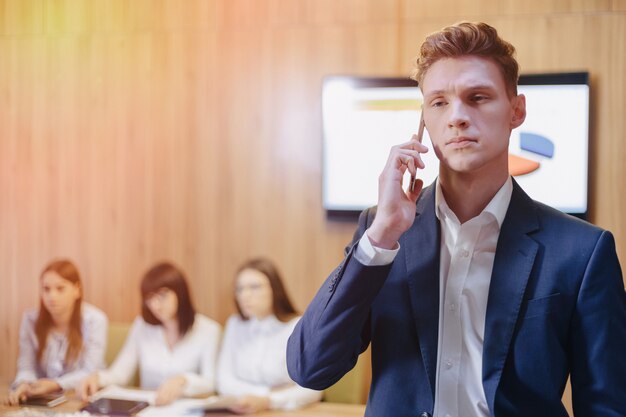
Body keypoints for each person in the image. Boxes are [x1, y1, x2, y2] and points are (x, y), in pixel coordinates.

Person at [287, 21, 626, 417]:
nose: (457, 117)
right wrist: (379, 237)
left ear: (517, 111)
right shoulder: (381, 236)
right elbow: (310, 367)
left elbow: (608, 407)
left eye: (478, 97)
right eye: (439, 103)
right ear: (423, 122)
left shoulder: (581, 251)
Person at [77, 262, 221, 406]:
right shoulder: (142, 326)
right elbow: (120, 373)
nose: (155, 305)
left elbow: (210, 383)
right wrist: (97, 378)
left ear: (180, 293)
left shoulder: (209, 330)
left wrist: (183, 380)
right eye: (150, 298)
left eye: (163, 296)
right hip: (150, 409)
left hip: (187, 410)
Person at [216, 258, 322, 414]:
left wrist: (268, 401)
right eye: (239, 289)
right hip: (244, 410)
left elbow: (314, 389)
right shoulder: (235, 324)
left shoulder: (298, 327)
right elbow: (223, 381)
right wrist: (267, 394)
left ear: (275, 289)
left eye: (254, 287)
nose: (245, 295)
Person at [5, 259, 108, 406]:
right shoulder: (30, 320)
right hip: (42, 400)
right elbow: (26, 365)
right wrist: (25, 384)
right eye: (46, 289)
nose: (52, 296)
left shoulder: (95, 320)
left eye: (60, 288)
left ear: (77, 290)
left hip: (81, 398)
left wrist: (56, 384)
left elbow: (90, 370)